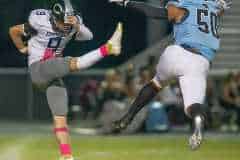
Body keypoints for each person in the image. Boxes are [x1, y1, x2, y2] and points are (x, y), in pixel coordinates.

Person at [9, 0, 123, 159]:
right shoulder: (39, 21)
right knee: (74, 63)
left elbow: (88, 36)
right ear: (53, 18)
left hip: (54, 74)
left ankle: (66, 155)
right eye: (62, 22)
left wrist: (77, 26)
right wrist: (23, 48)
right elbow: (13, 31)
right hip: (39, 69)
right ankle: (109, 48)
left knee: (61, 118)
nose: (65, 26)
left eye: (67, 22)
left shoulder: (72, 24)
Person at [110, 0, 231, 150]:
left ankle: (127, 117)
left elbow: (154, 13)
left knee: (156, 83)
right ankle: (198, 121)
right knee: (193, 106)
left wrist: (127, 3)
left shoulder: (186, 6)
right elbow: (210, 15)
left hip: (179, 53)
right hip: (200, 63)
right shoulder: (212, 9)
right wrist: (220, 8)